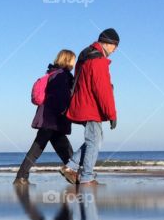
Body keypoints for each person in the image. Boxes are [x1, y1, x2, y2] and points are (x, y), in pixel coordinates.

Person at [60, 28, 119, 187]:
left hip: (83, 103)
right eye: (115, 45)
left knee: (95, 140)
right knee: (94, 140)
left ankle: (71, 167)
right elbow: (102, 89)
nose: (115, 49)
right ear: (107, 43)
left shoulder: (85, 55)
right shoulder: (98, 61)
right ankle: (86, 176)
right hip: (91, 107)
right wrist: (112, 114)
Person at [14, 49, 76, 186]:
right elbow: (61, 98)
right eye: (73, 60)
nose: (74, 63)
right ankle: (21, 177)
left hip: (49, 116)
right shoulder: (62, 76)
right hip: (53, 118)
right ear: (67, 60)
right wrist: (68, 113)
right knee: (39, 147)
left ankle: (74, 173)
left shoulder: (53, 73)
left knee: (62, 146)